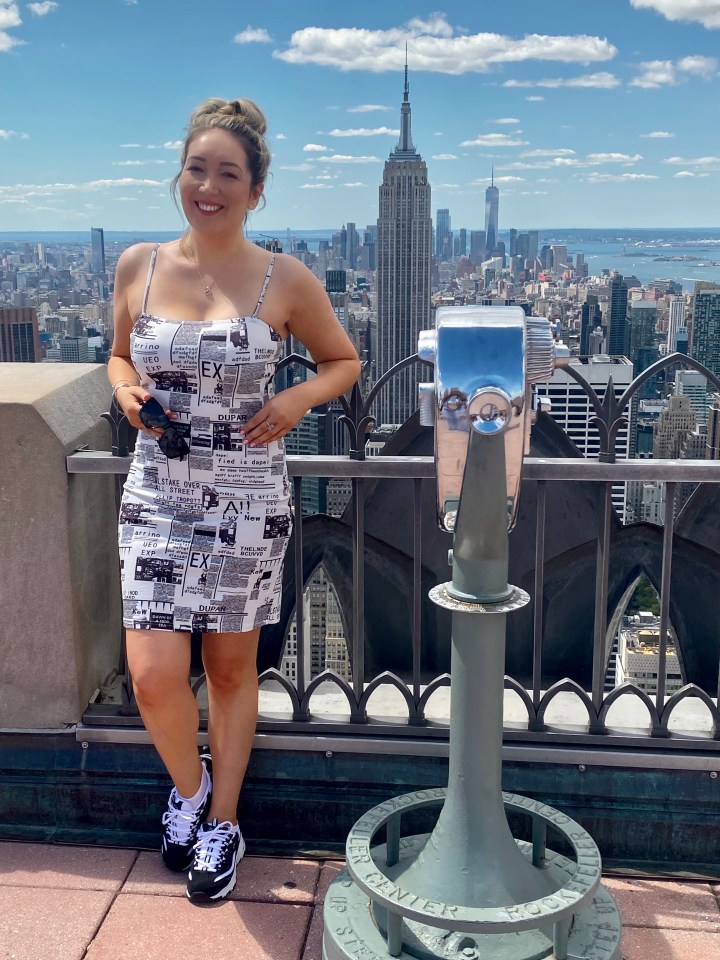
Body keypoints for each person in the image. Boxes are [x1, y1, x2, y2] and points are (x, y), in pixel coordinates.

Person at [108, 97, 360, 903]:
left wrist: (295, 402)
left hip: (247, 496)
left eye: (228, 174)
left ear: (255, 191)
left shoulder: (284, 277)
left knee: (227, 668)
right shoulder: (137, 266)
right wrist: (125, 395)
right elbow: (119, 356)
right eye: (197, 169)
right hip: (159, 489)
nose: (208, 186)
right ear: (178, 176)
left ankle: (222, 818)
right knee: (152, 675)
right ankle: (186, 789)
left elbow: (342, 360)